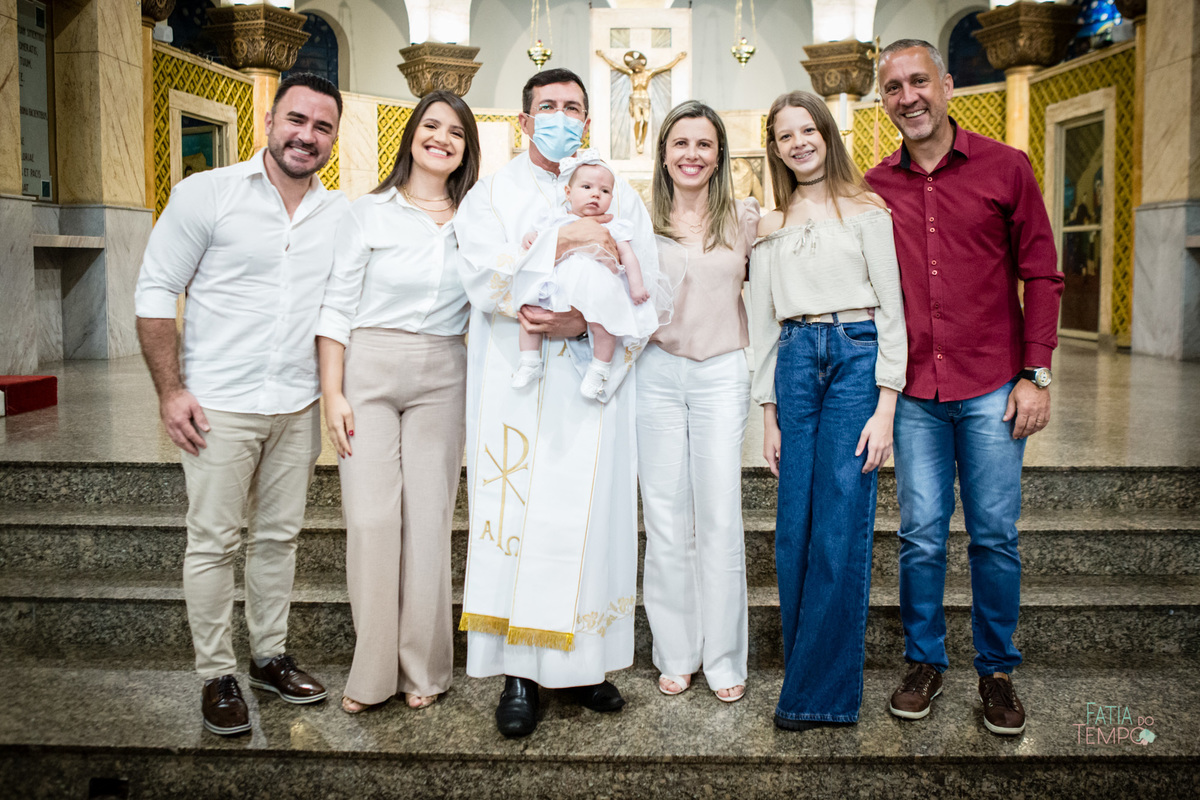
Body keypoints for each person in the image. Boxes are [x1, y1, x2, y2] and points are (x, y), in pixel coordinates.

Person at [134, 73, 348, 736]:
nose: (305, 136)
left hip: (295, 405)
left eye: (321, 127)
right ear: (269, 118)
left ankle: (269, 655)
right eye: (296, 120)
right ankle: (215, 674)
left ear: (334, 139)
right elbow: (154, 294)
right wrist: (171, 391)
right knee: (214, 540)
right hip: (218, 405)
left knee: (279, 539)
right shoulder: (209, 194)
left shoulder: (339, 214)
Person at [865, 39, 1064, 736]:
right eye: (893, 87)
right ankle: (925, 662)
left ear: (947, 86)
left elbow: (1042, 273)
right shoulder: (872, 187)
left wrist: (1035, 372)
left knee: (994, 537)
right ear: (883, 100)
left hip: (991, 385)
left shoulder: (1006, 168)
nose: (908, 96)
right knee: (919, 535)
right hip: (915, 392)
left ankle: (997, 670)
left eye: (919, 81)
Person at [454, 67, 657, 739]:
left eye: (573, 107)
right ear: (522, 120)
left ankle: (584, 667)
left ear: (590, 123)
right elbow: (481, 280)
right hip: (521, 383)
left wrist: (586, 322)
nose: (560, 116)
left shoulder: (617, 192)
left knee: (590, 521)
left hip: (591, 388)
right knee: (523, 524)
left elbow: (648, 286)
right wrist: (561, 243)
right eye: (547, 106)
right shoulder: (492, 194)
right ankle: (517, 673)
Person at [316, 90, 479, 715]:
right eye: (431, 126)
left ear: (467, 148)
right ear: (411, 134)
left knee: (431, 520)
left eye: (455, 132)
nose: (441, 138)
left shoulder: (475, 218)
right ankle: (373, 671)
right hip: (370, 369)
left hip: (444, 369)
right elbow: (336, 306)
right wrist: (333, 392)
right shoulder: (369, 213)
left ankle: (426, 669)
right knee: (374, 521)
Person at [749, 91, 906, 731]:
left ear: (826, 134)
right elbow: (761, 321)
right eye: (785, 136)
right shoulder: (770, 223)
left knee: (839, 525)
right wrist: (768, 413)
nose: (798, 143)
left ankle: (821, 696)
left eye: (807, 130)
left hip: (853, 358)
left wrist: (886, 406)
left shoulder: (866, 209)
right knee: (793, 532)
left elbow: (894, 310)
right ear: (775, 148)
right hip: (793, 358)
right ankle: (806, 672)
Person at [637, 100, 758, 703]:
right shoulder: (637, 218)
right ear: (663, 153)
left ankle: (725, 657)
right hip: (655, 372)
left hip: (721, 372)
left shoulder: (745, 218)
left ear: (718, 155)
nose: (691, 154)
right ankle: (676, 653)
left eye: (703, 144)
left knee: (718, 514)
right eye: (680, 143)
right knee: (664, 518)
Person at [514, 150, 658, 397]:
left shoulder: (612, 224)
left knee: (605, 325)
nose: (595, 194)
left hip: (598, 286)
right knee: (531, 315)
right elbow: (538, 236)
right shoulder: (556, 218)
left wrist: (636, 287)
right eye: (587, 187)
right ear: (568, 193)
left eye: (604, 191)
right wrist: (531, 238)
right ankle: (529, 361)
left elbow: (628, 256)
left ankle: (599, 369)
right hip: (559, 284)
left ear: (612, 197)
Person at [594, 49, 687, 154]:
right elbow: (617, 66)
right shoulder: (631, 74)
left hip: (645, 99)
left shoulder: (648, 73)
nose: (635, 69)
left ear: (640, 66)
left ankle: (642, 141)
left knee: (646, 120)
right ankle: (637, 141)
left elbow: (666, 67)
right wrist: (603, 56)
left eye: (636, 67)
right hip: (635, 99)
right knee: (638, 120)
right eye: (633, 68)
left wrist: (678, 59)